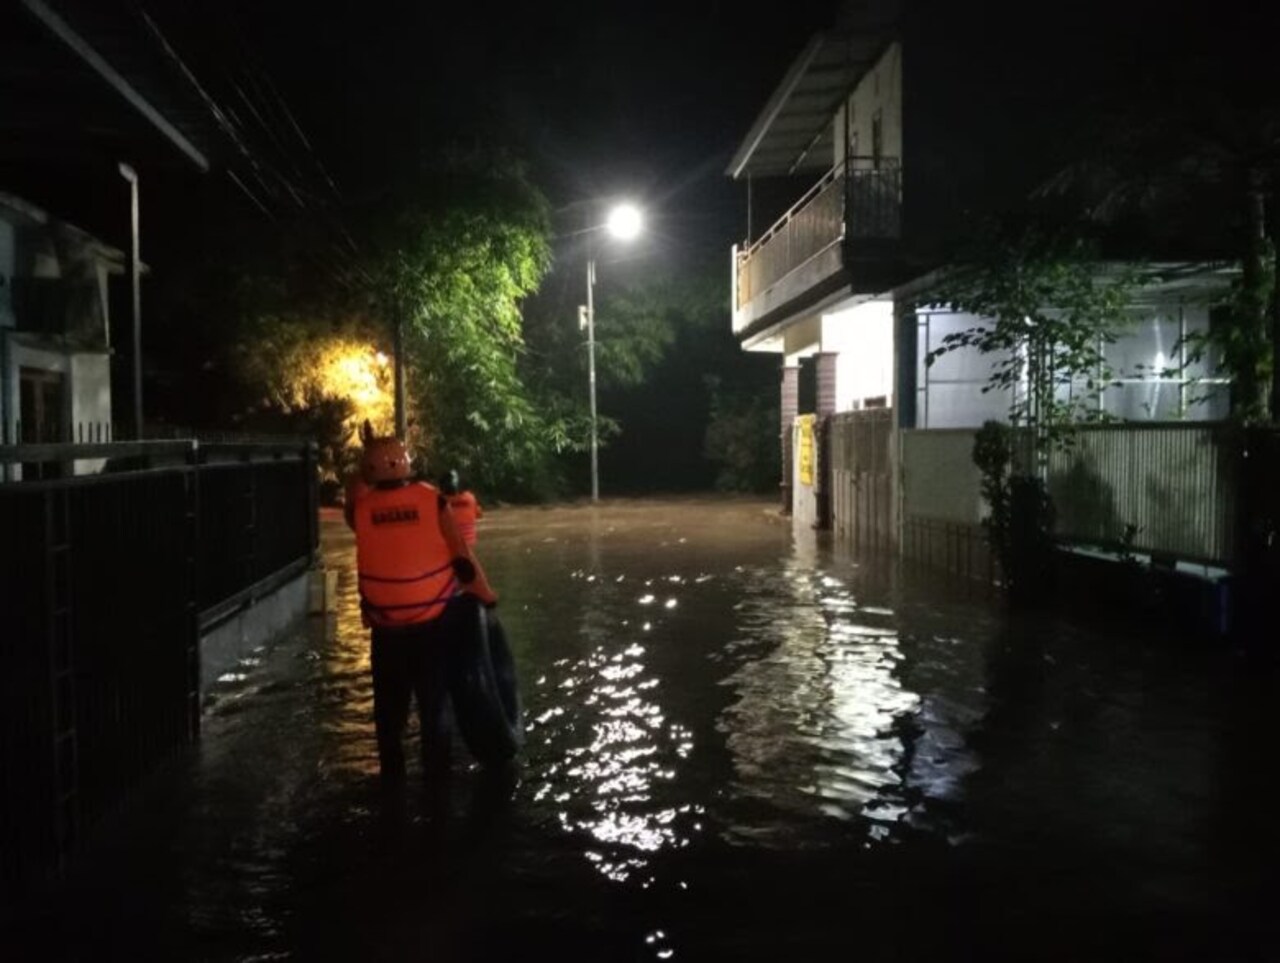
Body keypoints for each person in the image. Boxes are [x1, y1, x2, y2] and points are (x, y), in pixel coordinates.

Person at [344, 422, 496, 787]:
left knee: (389, 715)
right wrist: (486, 597)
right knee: (434, 708)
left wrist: (360, 465)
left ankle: (392, 783)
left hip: (386, 631)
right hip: (432, 627)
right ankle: (437, 783)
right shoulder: (433, 499)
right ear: (407, 463)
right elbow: (462, 558)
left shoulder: (362, 511)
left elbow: (354, 495)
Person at [439, 468, 483, 546]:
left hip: (448, 541)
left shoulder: (439, 501)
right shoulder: (470, 497)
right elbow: (479, 514)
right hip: (469, 540)